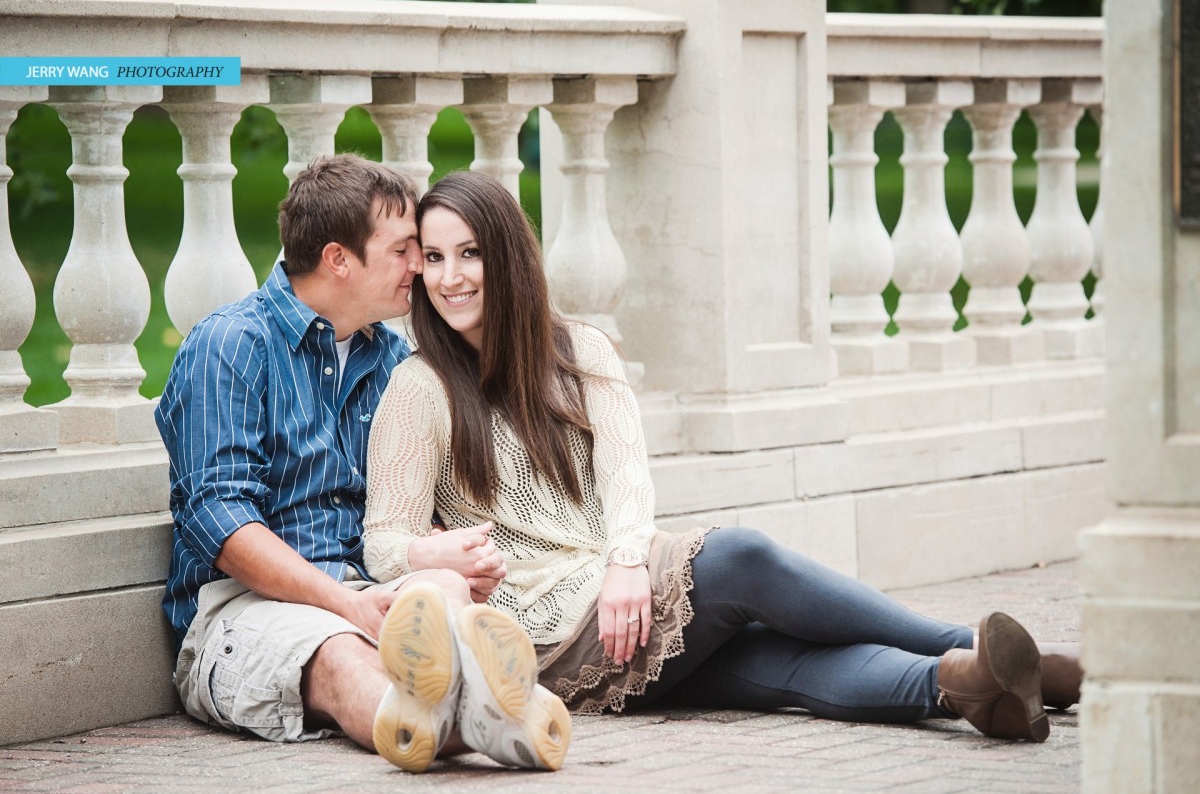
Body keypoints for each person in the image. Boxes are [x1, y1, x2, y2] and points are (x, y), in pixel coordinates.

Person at [362, 170, 1083, 744]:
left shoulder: (579, 351)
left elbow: (626, 477)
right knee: (738, 558)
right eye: (432, 257)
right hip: (548, 636)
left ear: (508, 257)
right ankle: (977, 645)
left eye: (469, 253)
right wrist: (434, 558)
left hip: (617, 591)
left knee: (782, 664)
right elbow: (383, 542)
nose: (450, 276)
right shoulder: (418, 389)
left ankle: (976, 686)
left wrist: (623, 562)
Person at [155, 154, 570, 775]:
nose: (421, 267)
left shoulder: (391, 358)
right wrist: (345, 606)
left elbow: (401, 512)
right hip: (243, 607)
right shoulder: (229, 346)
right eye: (404, 250)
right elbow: (219, 522)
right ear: (339, 259)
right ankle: (494, 719)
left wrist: (437, 554)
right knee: (342, 655)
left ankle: (478, 710)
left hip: (366, 589)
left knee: (447, 590)